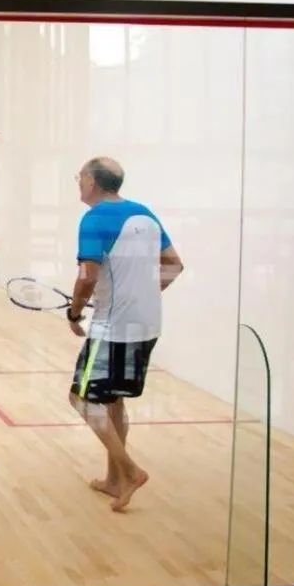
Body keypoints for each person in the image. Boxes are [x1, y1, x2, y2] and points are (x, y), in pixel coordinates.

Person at [62, 156, 184, 512]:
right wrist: (142, 295)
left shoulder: (94, 219)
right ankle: (114, 480)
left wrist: (74, 312)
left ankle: (129, 472)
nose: (78, 182)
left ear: (93, 182)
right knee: (113, 399)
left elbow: (87, 275)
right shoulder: (145, 214)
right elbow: (175, 264)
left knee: (82, 399)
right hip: (147, 324)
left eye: (80, 177)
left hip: (113, 328)